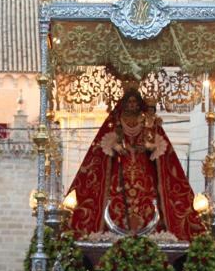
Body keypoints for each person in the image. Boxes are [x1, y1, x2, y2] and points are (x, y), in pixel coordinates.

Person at [65, 90, 203, 239]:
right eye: (129, 102)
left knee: (149, 200)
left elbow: (159, 145)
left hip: (144, 170)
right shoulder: (115, 121)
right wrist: (116, 147)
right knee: (113, 199)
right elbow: (103, 144)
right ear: (124, 104)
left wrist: (149, 147)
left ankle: (152, 234)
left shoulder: (147, 121)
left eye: (135, 102)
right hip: (120, 171)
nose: (132, 105)